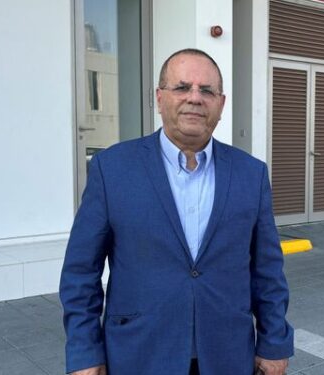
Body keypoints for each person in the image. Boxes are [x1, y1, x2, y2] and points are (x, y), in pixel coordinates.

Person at [60, 48, 294, 375]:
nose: (195, 98)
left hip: (227, 355)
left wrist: (274, 342)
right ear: (159, 97)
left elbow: (267, 271)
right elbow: (81, 272)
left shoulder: (251, 174)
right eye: (182, 87)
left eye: (207, 90)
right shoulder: (112, 169)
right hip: (139, 354)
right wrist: (85, 352)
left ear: (221, 104)